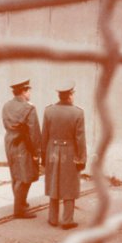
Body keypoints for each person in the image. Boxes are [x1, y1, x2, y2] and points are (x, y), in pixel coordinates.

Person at [41, 82, 87, 229]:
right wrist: (82, 158)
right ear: (70, 95)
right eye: (73, 94)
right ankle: (67, 220)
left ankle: (52, 219)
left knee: (54, 182)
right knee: (70, 184)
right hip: (70, 152)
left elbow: (44, 136)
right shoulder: (78, 112)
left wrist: (43, 156)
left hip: (52, 151)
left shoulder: (48, 111)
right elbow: (80, 138)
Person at [2, 79, 41, 219]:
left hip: (10, 142)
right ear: (24, 91)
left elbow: (6, 124)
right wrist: (37, 151)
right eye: (29, 90)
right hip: (24, 145)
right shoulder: (28, 108)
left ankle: (21, 202)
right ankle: (19, 210)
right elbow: (34, 131)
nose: (30, 93)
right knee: (25, 177)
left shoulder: (6, 105)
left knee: (15, 174)